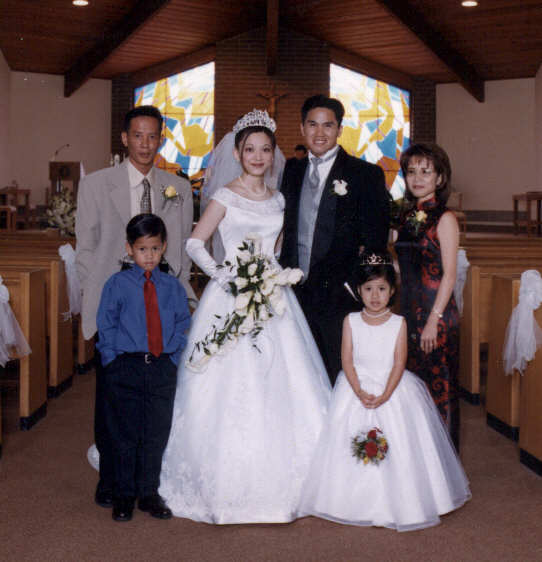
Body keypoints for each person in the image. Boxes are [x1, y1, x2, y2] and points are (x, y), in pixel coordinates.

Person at [158, 109, 331, 524]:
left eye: (265, 150)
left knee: (283, 377)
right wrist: (225, 275)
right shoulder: (225, 195)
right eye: (250, 149)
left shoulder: (279, 199)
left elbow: (279, 247)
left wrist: (271, 272)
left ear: (273, 155)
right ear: (236, 153)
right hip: (231, 294)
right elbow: (195, 243)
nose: (257, 156)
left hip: (273, 296)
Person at [75, 105, 195, 510]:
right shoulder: (96, 184)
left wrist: (180, 303)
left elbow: (180, 250)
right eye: (137, 135)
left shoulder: (177, 187)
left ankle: (146, 485)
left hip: (159, 305)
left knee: (153, 409)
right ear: (125, 138)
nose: (145, 143)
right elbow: (86, 247)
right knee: (112, 405)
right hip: (116, 307)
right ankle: (111, 480)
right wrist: (102, 290)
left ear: (160, 139)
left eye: (152, 136)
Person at [299, 251, 471, 531]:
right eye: (368, 289)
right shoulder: (350, 321)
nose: (375, 296)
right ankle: (348, 501)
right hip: (356, 387)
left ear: (392, 291)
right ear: (359, 291)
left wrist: (387, 394)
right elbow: (346, 360)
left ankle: (406, 501)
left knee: (401, 443)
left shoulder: (398, 323)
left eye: (381, 289)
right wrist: (358, 391)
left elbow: (399, 363)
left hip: (392, 386)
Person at [280, 94, 390, 385]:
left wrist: (356, 288)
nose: (319, 133)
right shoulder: (291, 171)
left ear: (340, 129)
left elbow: (376, 241)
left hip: (339, 296)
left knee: (338, 375)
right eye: (312, 124)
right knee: (298, 376)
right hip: (294, 294)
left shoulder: (365, 174)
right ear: (302, 128)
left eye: (328, 125)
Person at [96, 214, 191, 522]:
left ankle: (148, 493)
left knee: (155, 433)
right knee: (125, 434)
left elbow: (183, 321)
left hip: (161, 368)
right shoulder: (117, 284)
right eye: (141, 249)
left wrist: (172, 357)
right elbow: (106, 324)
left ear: (163, 247)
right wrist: (112, 361)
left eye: (154, 248)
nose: (148, 256)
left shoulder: (172, 286)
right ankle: (124, 494)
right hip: (127, 367)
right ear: (129, 249)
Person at [394, 143, 461, 450]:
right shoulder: (405, 216)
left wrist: (433, 321)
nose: (418, 178)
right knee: (412, 390)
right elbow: (404, 264)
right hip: (409, 312)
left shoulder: (445, 218)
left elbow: (450, 274)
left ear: (440, 178)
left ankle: (443, 465)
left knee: (438, 393)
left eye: (426, 171)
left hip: (437, 315)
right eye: (411, 172)